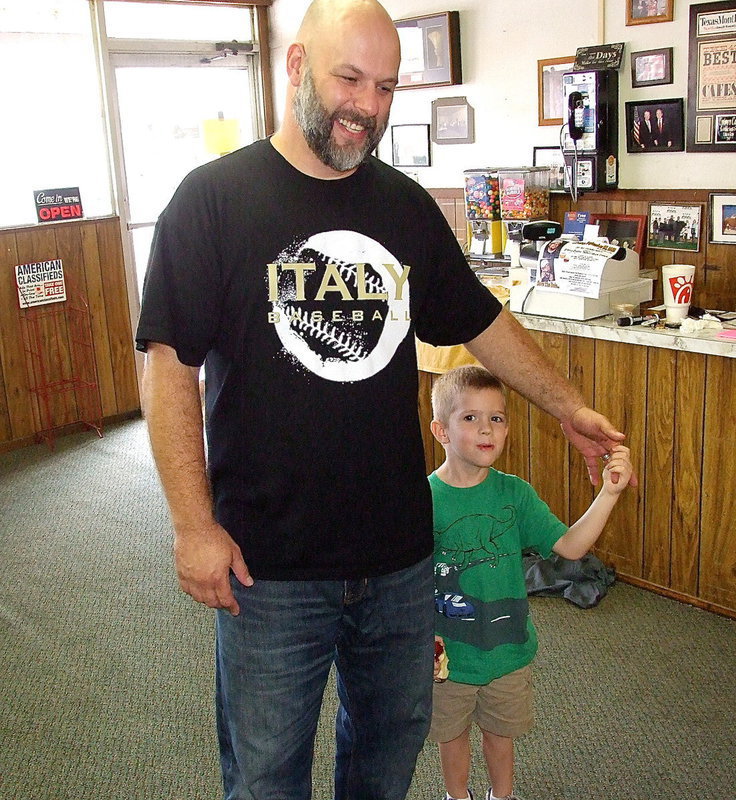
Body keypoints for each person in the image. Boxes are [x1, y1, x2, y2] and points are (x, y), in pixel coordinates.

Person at [135, 1, 634, 798]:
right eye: (350, 78)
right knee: (265, 776)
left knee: (386, 760)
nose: (368, 105)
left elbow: (480, 320)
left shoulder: (401, 206)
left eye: (388, 87)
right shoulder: (212, 201)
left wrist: (567, 406)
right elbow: (168, 367)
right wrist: (193, 526)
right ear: (296, 66)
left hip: (400, 561)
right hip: (270, 567)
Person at [428, 366, 634, 800]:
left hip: (508, 647)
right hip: (448, 658)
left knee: (502, 737)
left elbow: (571, 547)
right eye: (470, 418)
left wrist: (608, 495)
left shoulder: (515, 494)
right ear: (440, 430)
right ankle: (456, 796)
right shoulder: (423, 498)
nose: (487, 428)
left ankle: (502, 797)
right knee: (452, 737)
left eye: (497, 418)